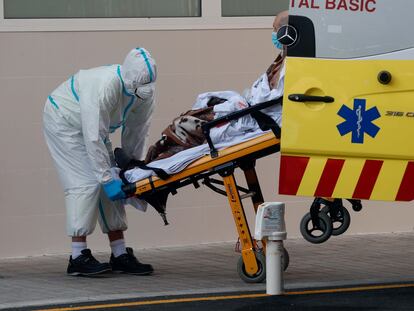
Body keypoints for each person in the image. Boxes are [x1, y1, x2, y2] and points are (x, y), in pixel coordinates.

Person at [43, 47, 156, 276]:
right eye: (137, 89)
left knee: (113, 179)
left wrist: (129, 171)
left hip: (94, 130)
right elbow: (92, 134)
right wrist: (105, 178)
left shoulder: (145, 93)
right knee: (86, 183)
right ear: (128, 79)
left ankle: (120, 253)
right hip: (64, 120)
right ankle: (77, 257)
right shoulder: (105, 86)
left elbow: (137, 132)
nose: (141, 93)